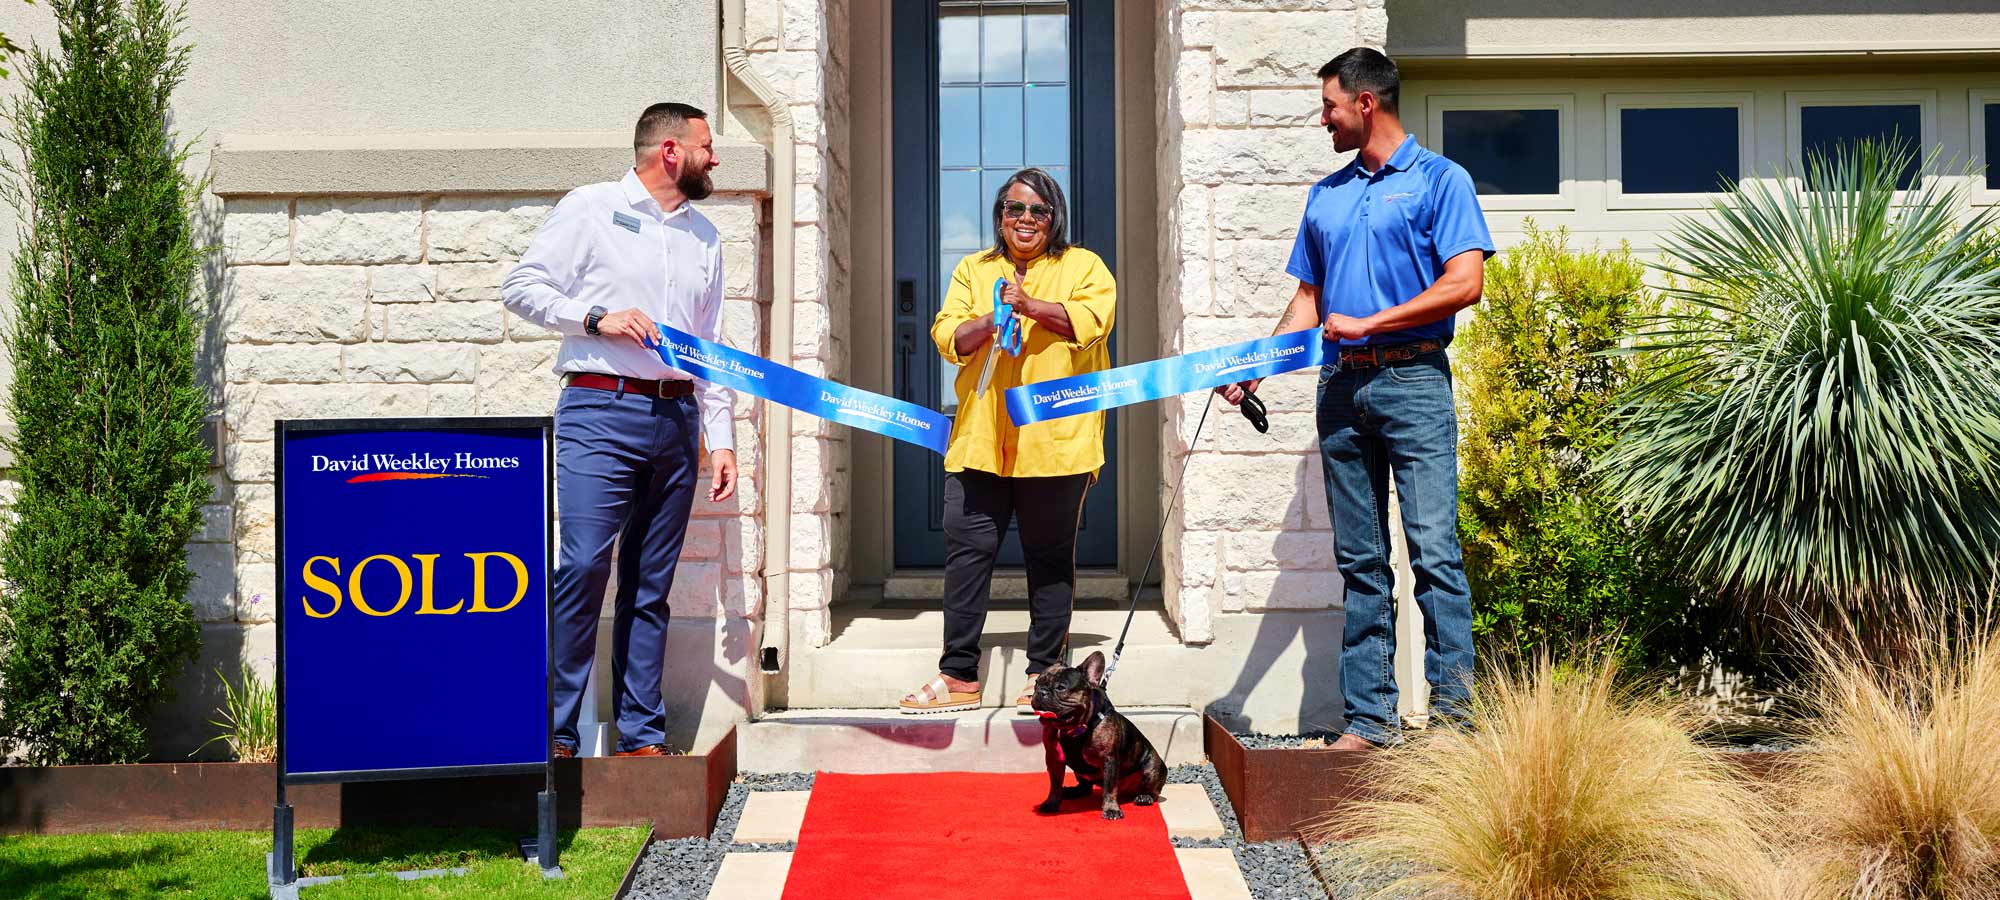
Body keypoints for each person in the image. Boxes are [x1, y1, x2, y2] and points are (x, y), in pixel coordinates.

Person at [1219, 48, 1493, 749]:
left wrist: (1372, 320)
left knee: (1434, 553)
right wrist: (1257, 368)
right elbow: (1308, 299)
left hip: (1415, 382)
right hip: (1341, 390)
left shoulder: (1440, 180)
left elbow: (1465, 283)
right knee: (1361, 561)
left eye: (1330, 107)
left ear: (1367, 103)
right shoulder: (1326, 195)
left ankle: (1455, 725)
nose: (1323, 120)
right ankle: (1370, 721)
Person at [501, 102, 738, 757]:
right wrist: (594, 316)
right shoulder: (590, 206)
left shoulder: (705, 237)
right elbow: (520, 287)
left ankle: (640, 736)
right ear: (669, 151)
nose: (714, 159)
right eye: (705, 146)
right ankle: (554, 733)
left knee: (649, 584)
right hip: (599, 412)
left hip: (677, 416)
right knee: (580, 567)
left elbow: (710, 344)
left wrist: (719, 439)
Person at [899, 168, 1117, 716]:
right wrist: (990, 321)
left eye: (1038, 211)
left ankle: (1044, 674)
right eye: (1013, 209)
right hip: (980, 438)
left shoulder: (1083, 266)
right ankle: (958, 676)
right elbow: (947, 336)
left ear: (1054, 218)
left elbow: (1089, 322)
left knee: (1048, 558)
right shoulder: (975, 270)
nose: (1024, 220)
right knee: (967, 554)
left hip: (1055, 440)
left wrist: (1028, 304)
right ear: (1000, 216)